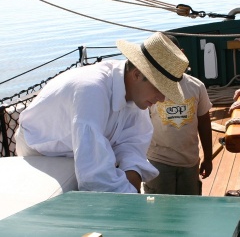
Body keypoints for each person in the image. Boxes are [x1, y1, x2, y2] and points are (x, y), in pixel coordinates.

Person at [15, 32, 189, 193]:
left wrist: (132, 180)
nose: (162, 99)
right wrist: (133, 200)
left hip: (77, 146)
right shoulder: (91, 90)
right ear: (137, 74)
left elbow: (133, 143)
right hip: (40, 150)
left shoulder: (136, 95)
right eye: (160, 88)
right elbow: (95, 176)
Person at [143, 35, 213, 195]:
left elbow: (204, 123)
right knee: (160, 211)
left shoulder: (197, 86)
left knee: (189, 208)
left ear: (182, 54)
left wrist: (208, 158)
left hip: (189, 162)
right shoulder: (150, 88)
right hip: (158, 162)